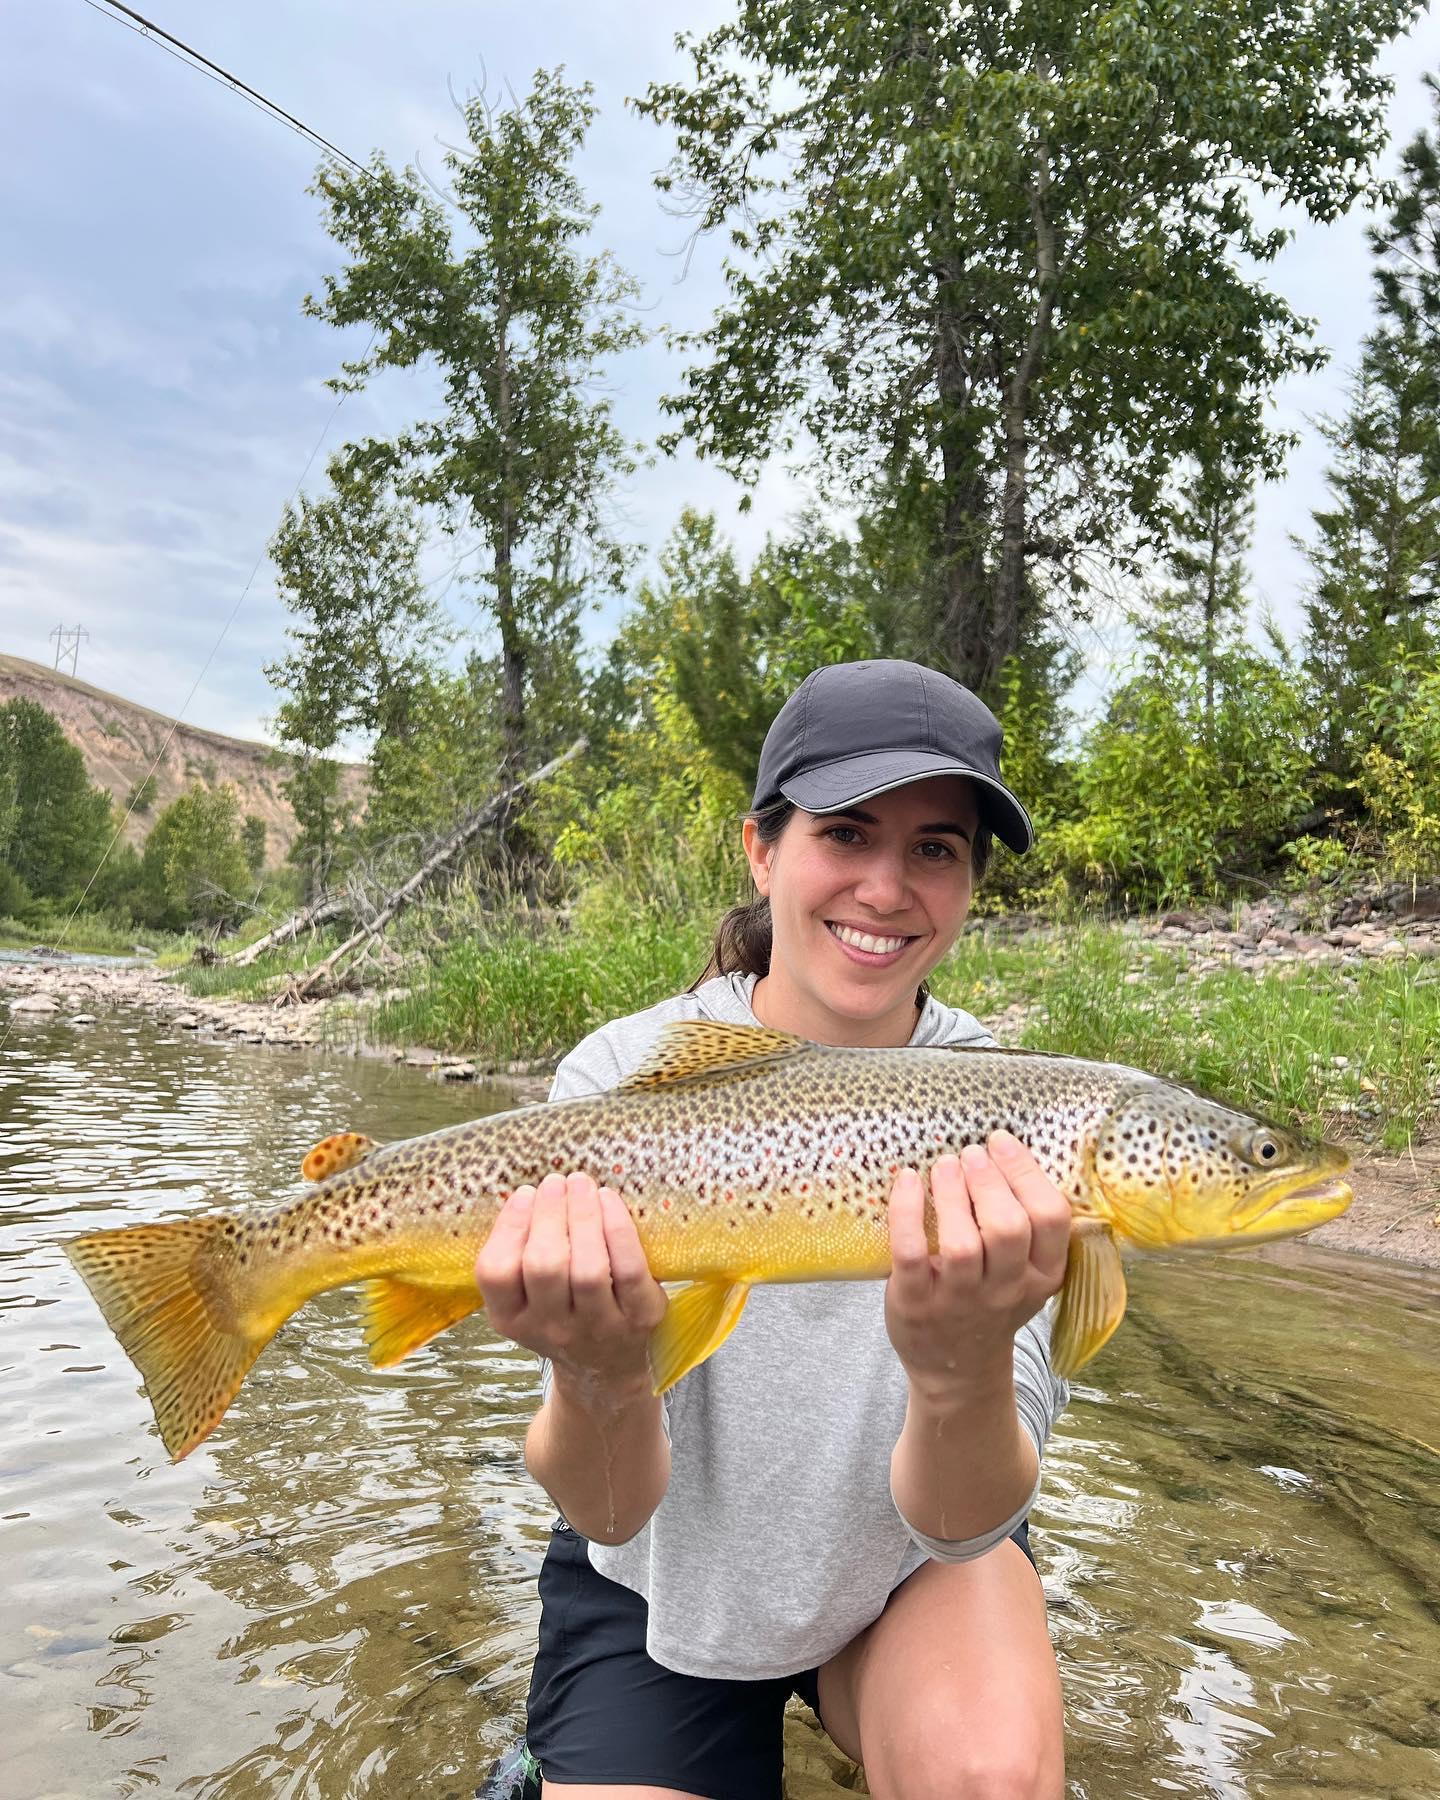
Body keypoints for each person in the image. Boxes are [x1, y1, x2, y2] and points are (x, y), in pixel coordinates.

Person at [475, 659, 1072, 1800]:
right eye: (846, 834)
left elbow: (964, 1523)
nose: (888, 887)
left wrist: (960, 1371)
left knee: (988, 1780)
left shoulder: (1014, 1112)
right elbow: (604, 1509)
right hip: (660, 1575)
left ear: (970, 882)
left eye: (935, 848)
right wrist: (602, 1373)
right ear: (763, 849)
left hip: (904, 1567)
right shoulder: (618, 1078)